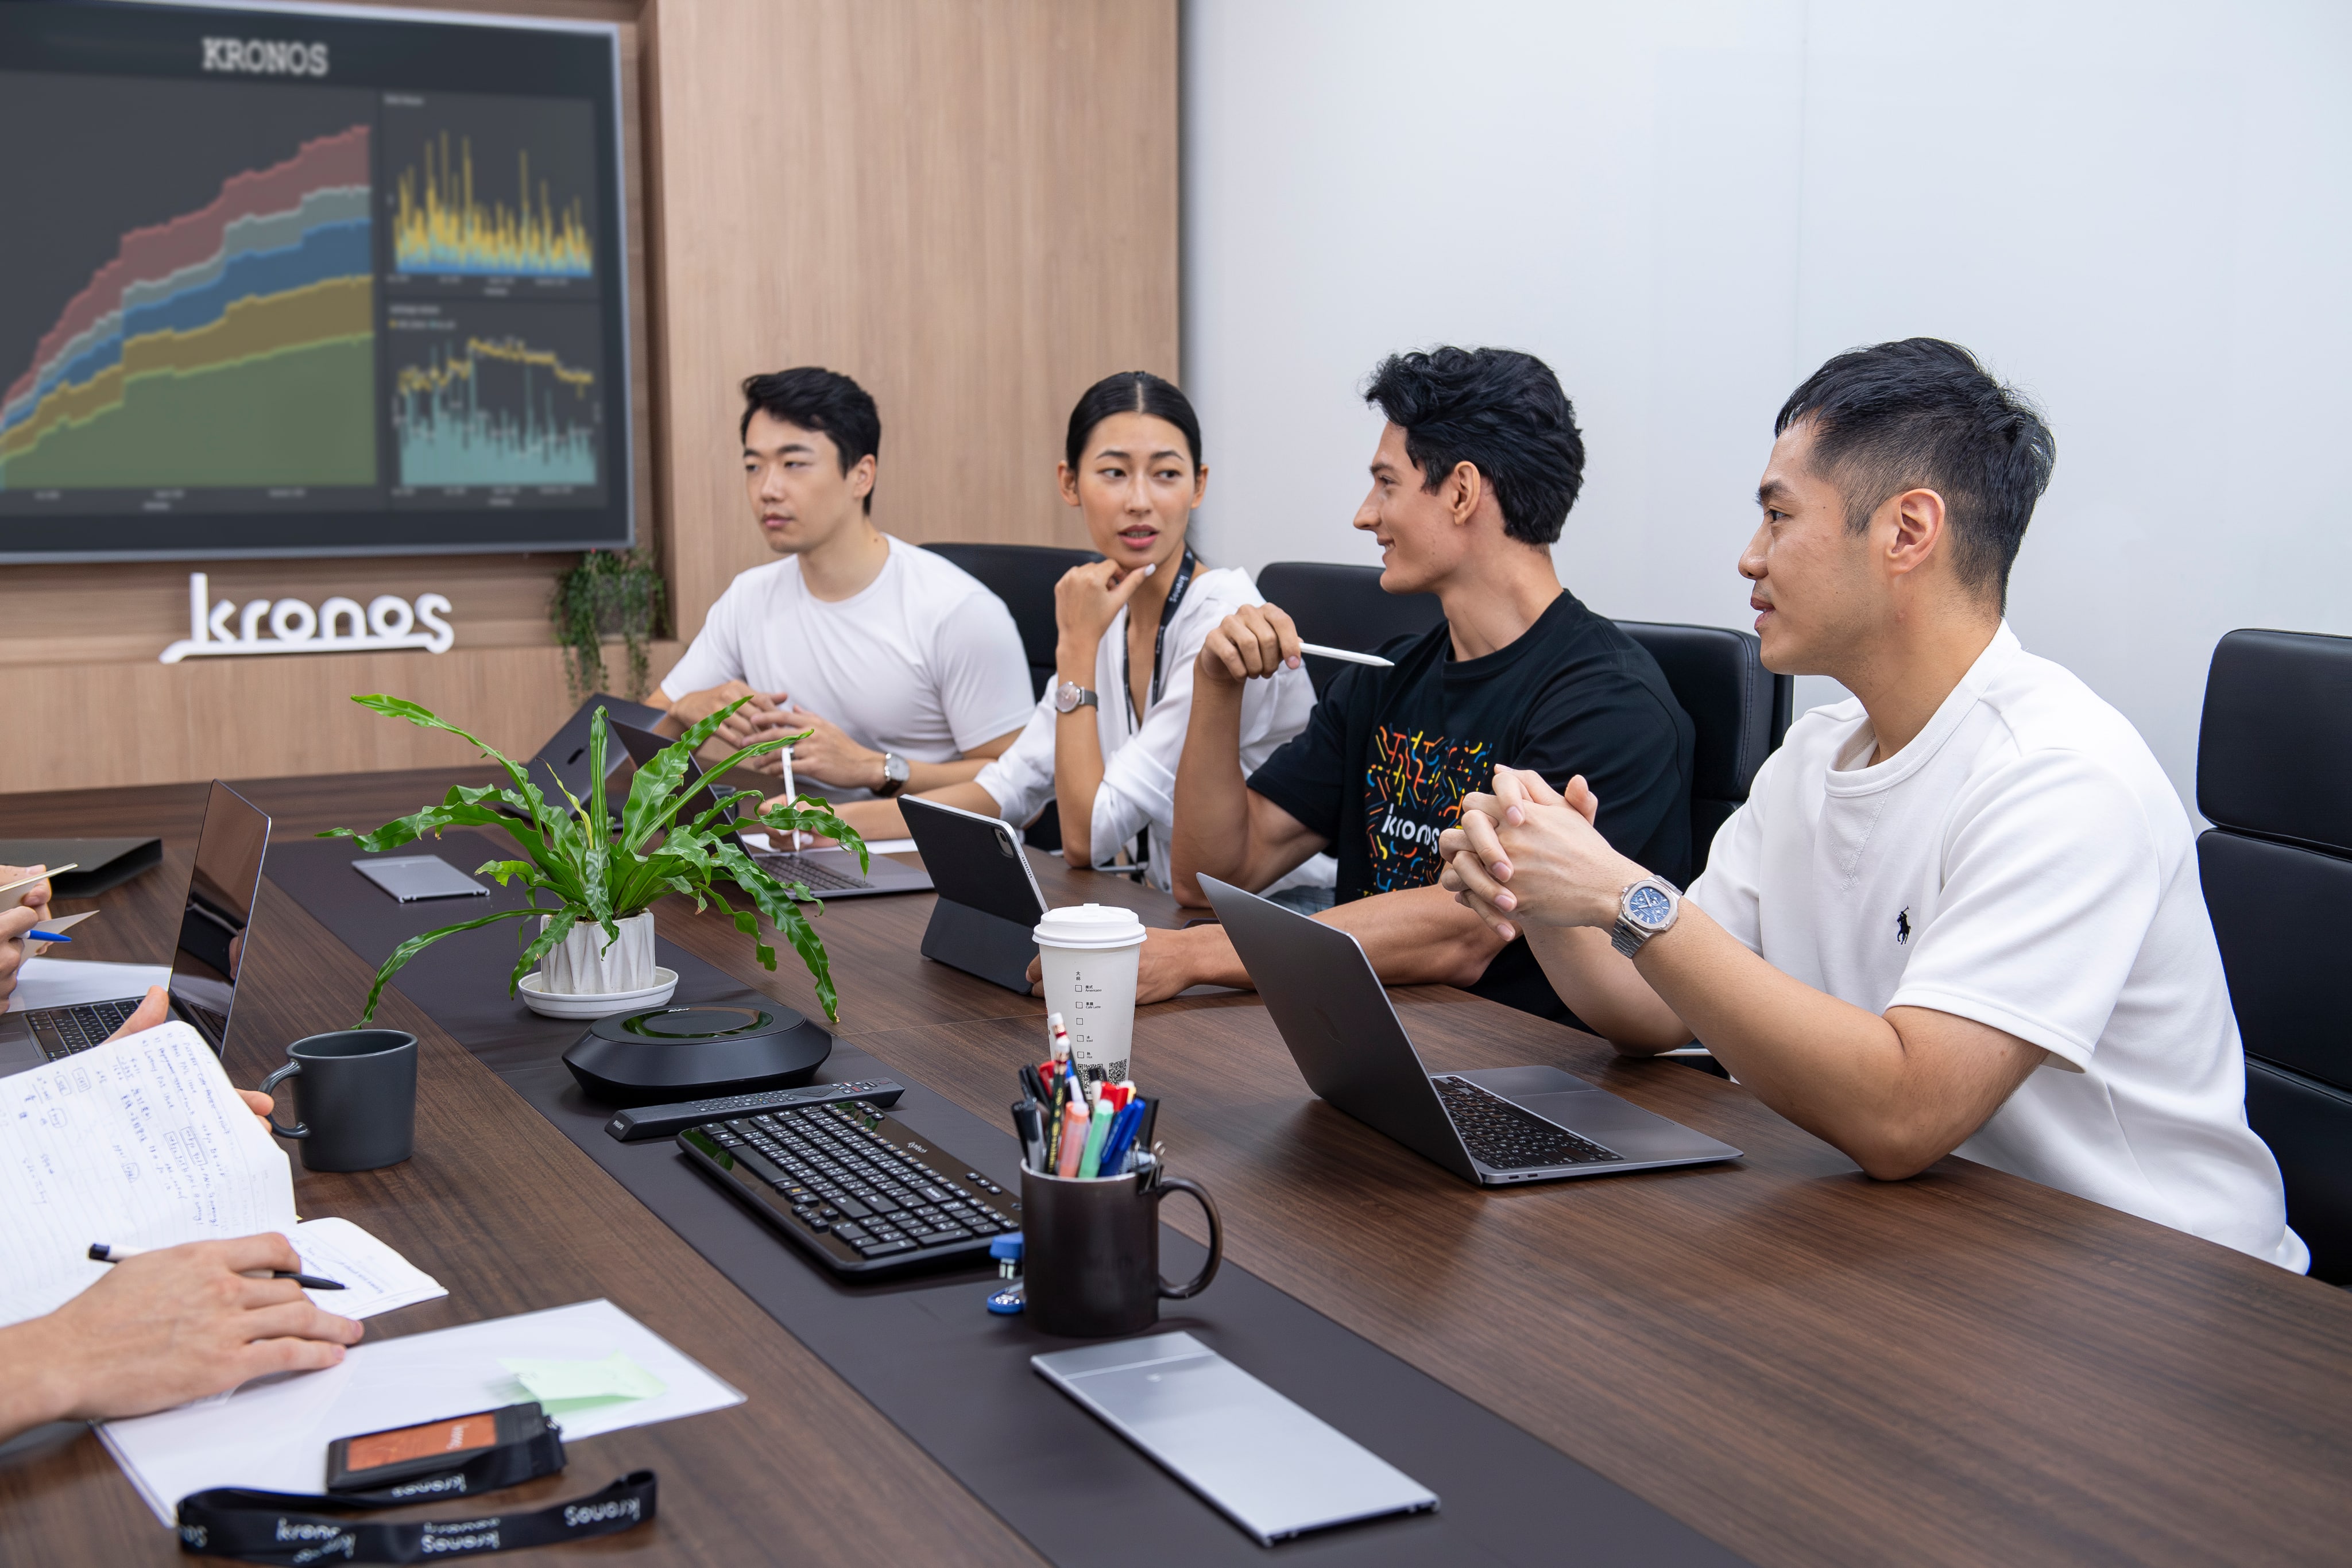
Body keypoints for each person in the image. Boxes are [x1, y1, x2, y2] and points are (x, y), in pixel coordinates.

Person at [1437, 338, 2305, 1271]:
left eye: (1778, 516)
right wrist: (1543, 876)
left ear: (1906, 531)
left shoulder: (2061, 775)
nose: (1747, 558)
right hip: (1946, 1245)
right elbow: (1649, 1011)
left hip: (2166, 1288)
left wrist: (1622, 895)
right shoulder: (1813, 755)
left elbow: (1903, 1113)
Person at [1138, 347, 1694, 1019]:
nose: (1365, 515)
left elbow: (1467, 932)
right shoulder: (1386, 677)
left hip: (1528, 1080)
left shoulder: (1608, 702)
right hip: (1374, 1044)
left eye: (1387, 483)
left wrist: (1194, 957)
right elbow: (1216, 875)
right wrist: (1216, 688)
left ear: (1460, 492)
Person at [825, 372, 1325, 893]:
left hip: (1281, 913)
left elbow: (1089, 837)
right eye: (1113, 472)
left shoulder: (1225, 619)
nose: (1139, 501)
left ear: (1198, 485)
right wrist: (822, 822)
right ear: (1069, 482)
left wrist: (1078, 646)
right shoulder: (1108, 607)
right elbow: (1003, 789)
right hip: (1169, 910)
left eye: (1166, 475)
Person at [658, 367, 1035, 802]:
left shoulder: (957, 610)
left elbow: (1022, 787)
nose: (768, 489)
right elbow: (627, 762)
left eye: (794, 464)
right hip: (798, 848)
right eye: (753, 466)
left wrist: (873, 768)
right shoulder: (749, 598)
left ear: (862, 475)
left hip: (924, 856)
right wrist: (684, 710)